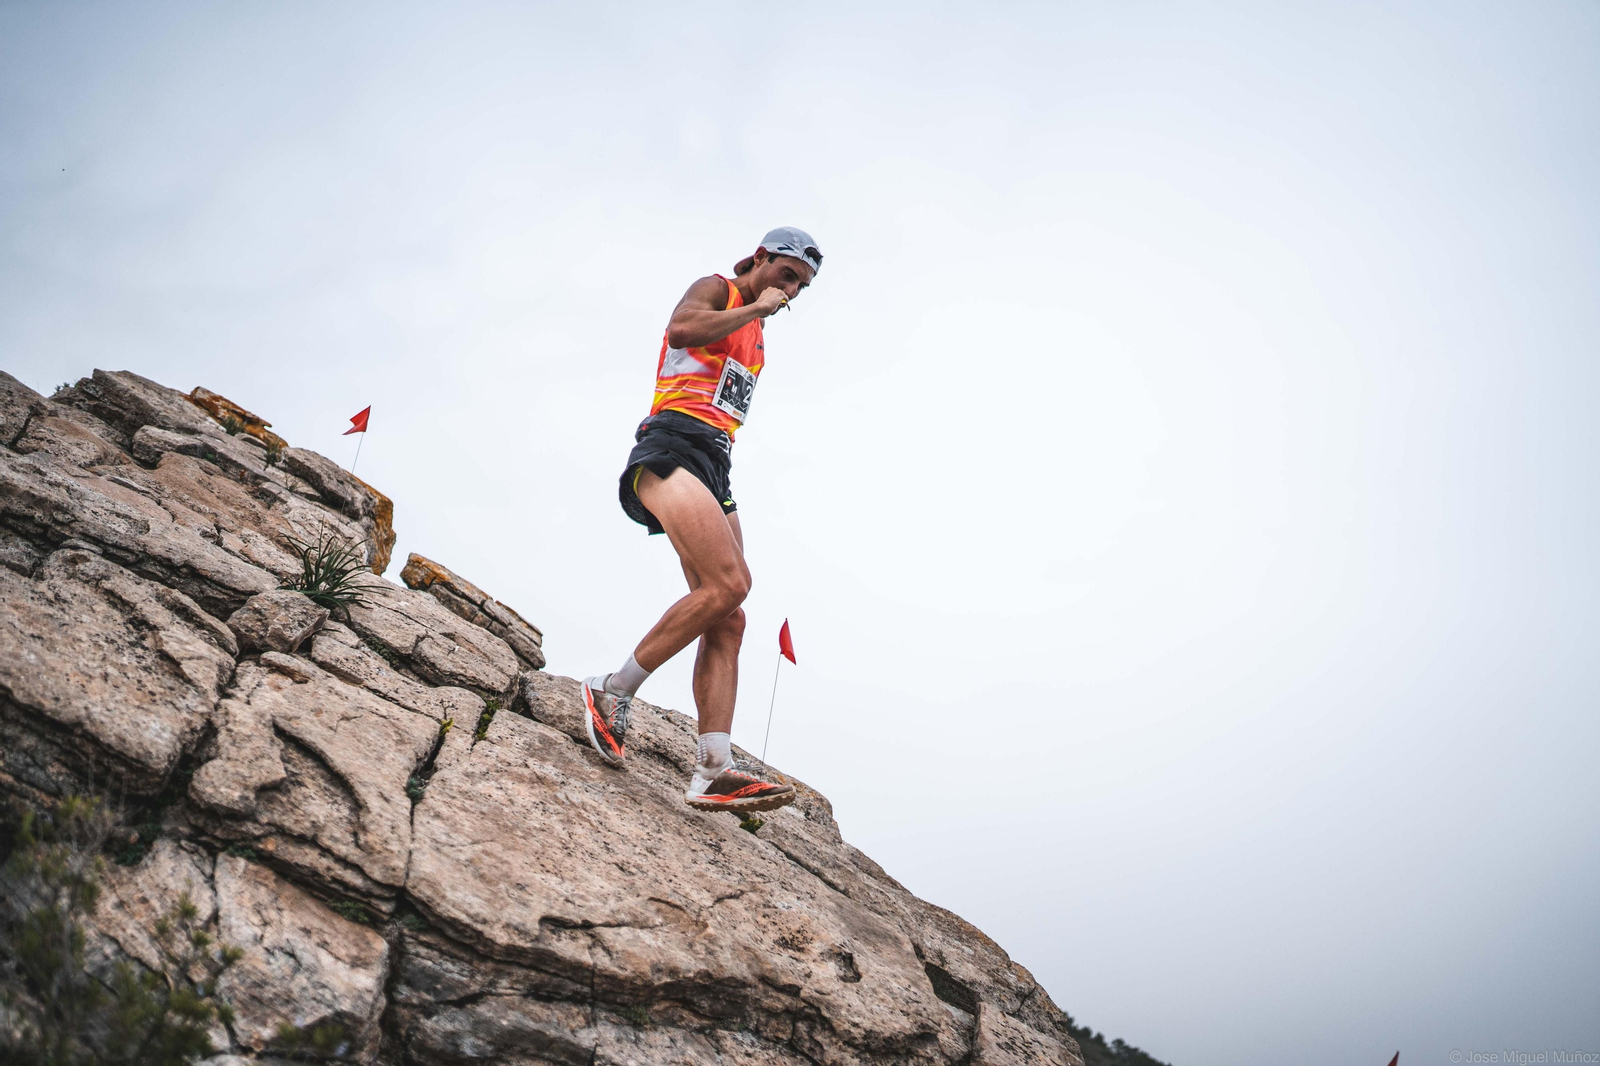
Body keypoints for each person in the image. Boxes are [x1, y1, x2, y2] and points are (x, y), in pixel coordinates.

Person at [582, 227, 822, 814]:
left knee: (731, 616)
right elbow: (682, 330)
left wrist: (758, 318)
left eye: (802, 285)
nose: (792, 290)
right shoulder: (718, 289)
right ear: (761, 259)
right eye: (787, 274)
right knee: (731, 583)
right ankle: (610, 692)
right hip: (670, 447)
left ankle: (713, 766)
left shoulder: (758, 335)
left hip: (716, 464)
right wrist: (755, 307)